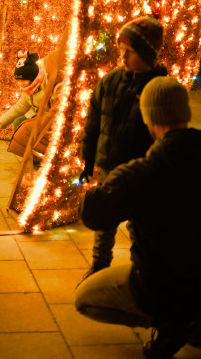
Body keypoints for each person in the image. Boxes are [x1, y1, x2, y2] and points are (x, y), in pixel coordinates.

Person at [75, 76, 201, 358]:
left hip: (158, 287)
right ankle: (193, 319)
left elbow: (93, 215)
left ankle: (173, 324)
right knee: (191, 267)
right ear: (185, 113)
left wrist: (105, 182)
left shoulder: (143, 173)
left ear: (148, 118)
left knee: (85, 299)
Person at [78, 16, 167, 279]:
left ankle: (143, 266)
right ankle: (99, 263)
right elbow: (93, 123)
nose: (123, 57)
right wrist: (88, 160)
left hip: (139, 169)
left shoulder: (157, 87)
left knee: (139, 222)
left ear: (147, 54)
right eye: (121, 50)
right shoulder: (110, 81)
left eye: (130, 51)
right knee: (105, 219)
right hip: (109, 164)